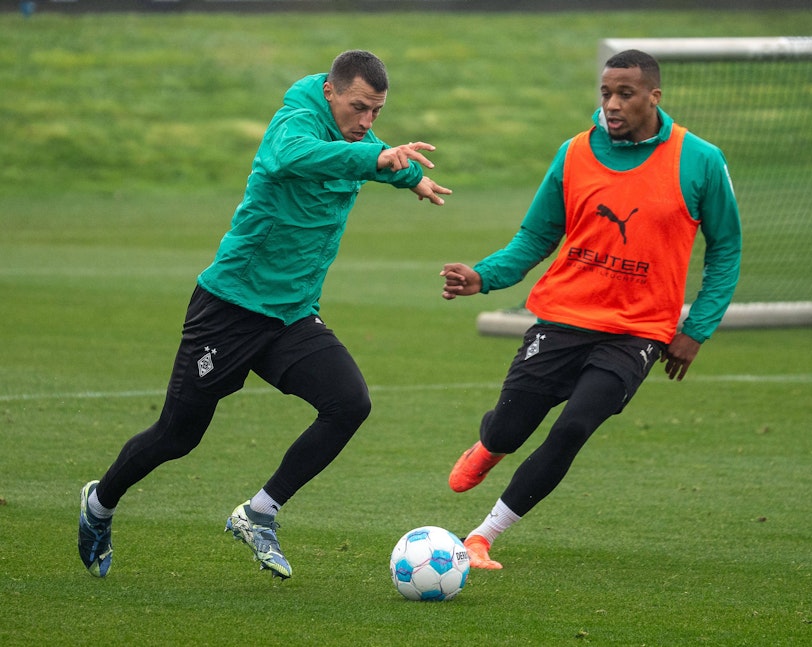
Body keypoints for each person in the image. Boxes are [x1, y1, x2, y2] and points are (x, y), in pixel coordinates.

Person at [78, 49, 451, 579]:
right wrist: (380, 161)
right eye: (358, 107)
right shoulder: (294, 124)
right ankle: (100, 503)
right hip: (230, 307)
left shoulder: (355, 138)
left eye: (377, 113)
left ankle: (259, 513)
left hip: (290, 316)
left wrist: (407, 176)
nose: (367, 122)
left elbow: (371, 153)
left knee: (349, 403)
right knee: (177, 437)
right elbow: (297, 157)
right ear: (330, 92)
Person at [440, 49, 741, 570]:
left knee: (574, 426)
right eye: (606, 93)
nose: (613, 104)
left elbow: (727, 247)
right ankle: (491, 444)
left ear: (654, 96)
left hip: (637, 333)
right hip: (562, 317)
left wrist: (698, 327)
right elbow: (536, 236)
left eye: (625, 94)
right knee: (512, 429)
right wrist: (483, 276)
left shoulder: (701, 160)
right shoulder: (574, 153)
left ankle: (482, 536)